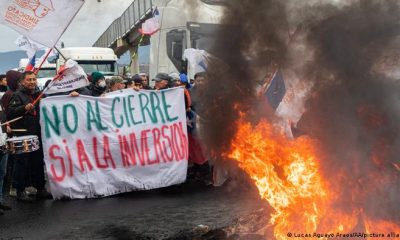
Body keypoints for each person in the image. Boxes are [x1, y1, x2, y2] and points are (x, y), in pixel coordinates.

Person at [8, 71, 50, 201]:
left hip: (37, 133)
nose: (32, 82)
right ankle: (20, 190)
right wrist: (23, 108)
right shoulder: (17, 95)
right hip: (23, 135)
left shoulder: (38, 94)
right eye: (29, 80)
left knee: (38, 161)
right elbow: (10, 113)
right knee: (22, 163)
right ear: (22, 82)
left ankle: (40, 189)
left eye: (34, 79)